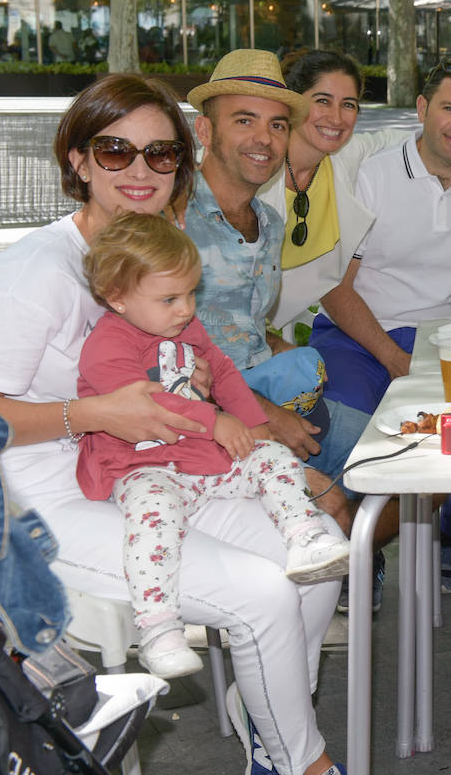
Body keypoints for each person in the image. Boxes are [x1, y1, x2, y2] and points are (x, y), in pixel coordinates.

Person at [0, 73, 346, 775]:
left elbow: (190, 364)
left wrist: (196, 391)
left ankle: (274, 730)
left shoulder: (153, 253)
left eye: (160, 155)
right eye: (115, 151)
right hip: (43, 501)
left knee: (317, 559)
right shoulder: (30, 273)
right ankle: (300, 761)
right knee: (261, 593)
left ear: (180, 164)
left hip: (154, 471)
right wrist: (96, 413)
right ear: (77, 160)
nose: (140, 171)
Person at [259, 49, 451, 609]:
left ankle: (450, 538)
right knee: (348, 440)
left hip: (448, 342)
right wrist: (394, 357)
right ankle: (361, 550)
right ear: (422, 108)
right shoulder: (368, 172)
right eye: (448, 109)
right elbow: (336, 285)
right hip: (356, 334)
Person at [76, 213, 349, 679]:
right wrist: (215, 419)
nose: (185, 309)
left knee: (273, 456)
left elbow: (221, 371)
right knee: (151, 521)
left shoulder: (182, 326)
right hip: (143, 465)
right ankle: (160, 628)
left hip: (203, 462)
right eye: (170, 298)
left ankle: (303, 534)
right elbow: (147, 406)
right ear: (117, 298)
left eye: (190, 294)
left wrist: (254, 425)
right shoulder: (107, 345)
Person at [182, 49, 375, 511]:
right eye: (244, 121)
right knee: (337, 508)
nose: (264, 139)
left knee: (420, 469)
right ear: (205, 130)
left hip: (272, 392)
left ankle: (357, 568)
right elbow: (163, 354)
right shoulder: (173, 218)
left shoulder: (268, 223)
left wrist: (287, 352)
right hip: (211, 420)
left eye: (277, 125)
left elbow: (232, 322)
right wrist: (264, 415)